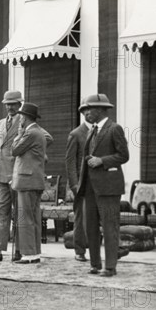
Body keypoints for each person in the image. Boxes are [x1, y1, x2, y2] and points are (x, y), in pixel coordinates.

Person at [0, 90, 52, 262]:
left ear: (20, 104)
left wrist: (32, 154)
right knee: (1, 213)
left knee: (20, 214)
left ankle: (21, 250)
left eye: (13, 104)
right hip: (2, 175)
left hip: (20, 175)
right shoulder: (0, 123)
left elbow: (46, 138)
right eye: (7, 104)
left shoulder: (27, 122)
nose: (10, 107)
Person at [76, 93, 129, 277]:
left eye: (89, 109)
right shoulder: (91, 131)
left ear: (100, 110)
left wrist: (102, 161)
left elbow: (124, 156)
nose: (86, 113)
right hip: (90, 186)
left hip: (108, 187)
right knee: (90, 226)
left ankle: (110, 266)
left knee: (109, 226)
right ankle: (95, 264)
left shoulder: (115, 129)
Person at [11, 103, 47, 264]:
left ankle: (28, 254)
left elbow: (14, 150)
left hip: (27, 180)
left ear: (24, 117)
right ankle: (35, 252)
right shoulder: (38, 132)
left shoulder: (30, 133)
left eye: (21, 116)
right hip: (34, 180)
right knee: (33, 217)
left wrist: (18, 134)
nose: (19, 119)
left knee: (25, 217)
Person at [65, 105, 90, 261]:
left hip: (100, 183)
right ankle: (79, 251)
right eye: (86, 110)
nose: (89, 112)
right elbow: (70, 162)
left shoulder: (104, 131)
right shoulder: (76, 134)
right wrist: (75, 185)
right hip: (82, 184)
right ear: (82, 113)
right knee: (81, 218)